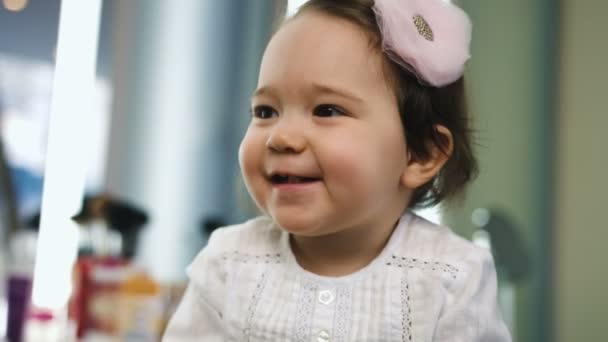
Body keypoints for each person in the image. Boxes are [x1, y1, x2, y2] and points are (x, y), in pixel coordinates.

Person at [163, 0, 511, 340]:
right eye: (266, 111)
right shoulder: (228, 262)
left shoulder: (452, 278)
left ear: (420, 154)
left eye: (326, 110)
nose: (281, 137)